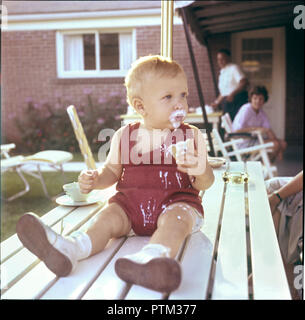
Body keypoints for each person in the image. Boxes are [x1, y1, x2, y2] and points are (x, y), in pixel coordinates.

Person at [16, 55, 214, 293]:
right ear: (141, 106)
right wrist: (96, 180)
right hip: (129, 208)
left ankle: (152, 259)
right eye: (168, 97)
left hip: (177, 203)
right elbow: (111, 171)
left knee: (175, 221)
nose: (180, 103)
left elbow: (207, 181)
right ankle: (72, 249)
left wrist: (200, 169)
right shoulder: (123, 136)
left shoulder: (191, 136)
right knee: (107, 217)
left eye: (183, 94)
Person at [232, 85, 287, 161]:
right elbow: (236, 130)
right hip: (243, 142)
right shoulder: (246, 109)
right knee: (275, 145)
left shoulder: (261, 112)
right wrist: (256, 128)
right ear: (251, 99)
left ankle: (265, 163)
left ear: (264, 100)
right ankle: (264, 164)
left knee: (283, 144)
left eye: (261, 99)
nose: (258, 101)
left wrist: (280, 149)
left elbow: (268, 130)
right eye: (255, 98)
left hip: (254, 140)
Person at [210, 48, 249, 121]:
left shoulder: (234, 68)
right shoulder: (222, 73)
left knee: (237, 124)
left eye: (222, 59)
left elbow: (244, 82)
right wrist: (216, 102)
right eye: (218, 59)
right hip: (227, 103)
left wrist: (232, 94)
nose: (220, 61)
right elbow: (224, 92)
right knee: (228, 125)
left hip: (237, 101)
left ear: (228, 58)